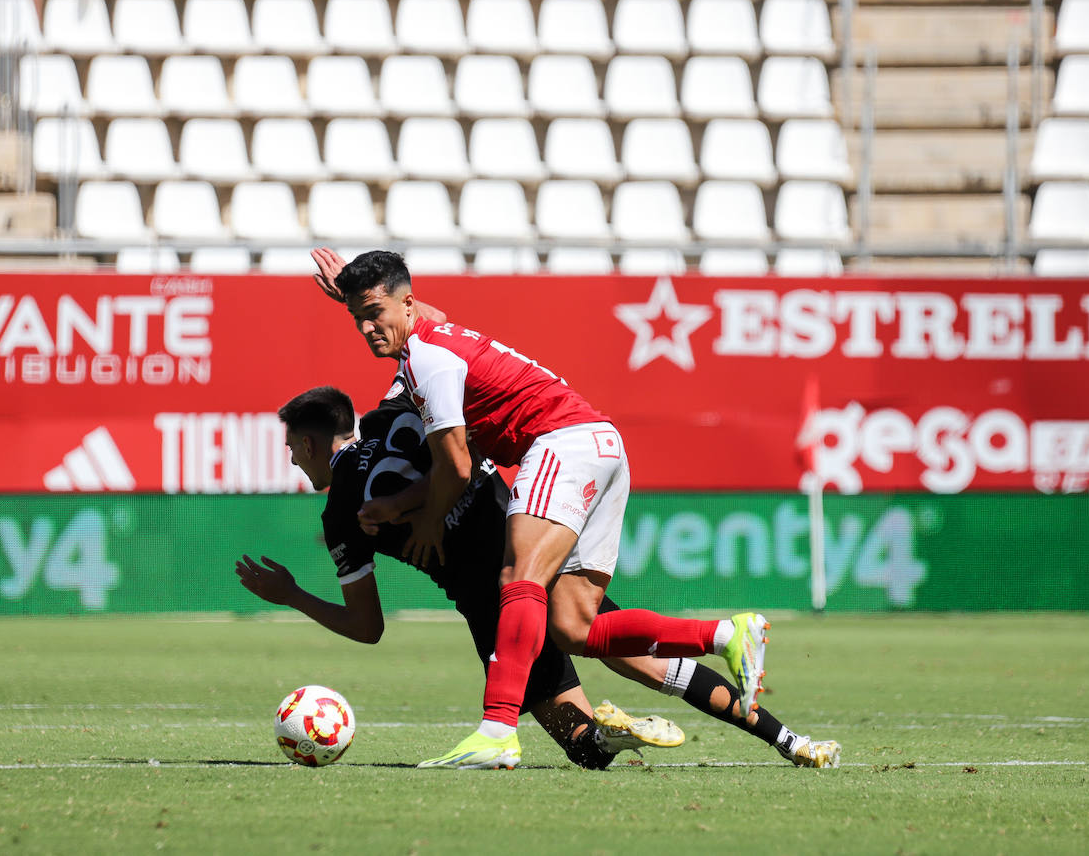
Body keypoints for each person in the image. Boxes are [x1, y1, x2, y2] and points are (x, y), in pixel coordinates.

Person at [325, 250, 841, 770]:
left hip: (560, 441)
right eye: (356, 318)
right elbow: (424, 321)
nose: (368, 327)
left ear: (407, 303)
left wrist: (424, 516)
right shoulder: (435, 337)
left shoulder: (427, 361)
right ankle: (724, 636)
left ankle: (497, 730)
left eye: (375, 312)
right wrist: (356, 299)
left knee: (517, 577)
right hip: (597, 445)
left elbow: (457, 467)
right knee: (576, 626)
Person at [245, 378, 841, 769]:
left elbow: (368, 626)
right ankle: (789, 740)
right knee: (643, 657)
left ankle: (608, 732)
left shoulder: (341, 511)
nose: (295, 461)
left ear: (309, 439)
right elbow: (456, 452)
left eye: (294, 450)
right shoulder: (398, 413)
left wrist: (292, 593)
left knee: (586, 752)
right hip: (534, 548)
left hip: (491, 601)